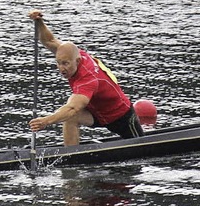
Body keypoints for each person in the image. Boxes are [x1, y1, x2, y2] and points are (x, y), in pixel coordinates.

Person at [27, 10, 144, 146]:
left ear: (77, 61)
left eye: (65, 64)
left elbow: (73, 108)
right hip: (96, 114)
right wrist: (39, 21)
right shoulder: (71, 54)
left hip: (121, 116)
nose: (61, 68)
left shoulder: (88, 79)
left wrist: (46, 121)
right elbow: (49, 40)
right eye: (58, 63)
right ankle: (71, 158)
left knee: (141, 147)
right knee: (70, 118)